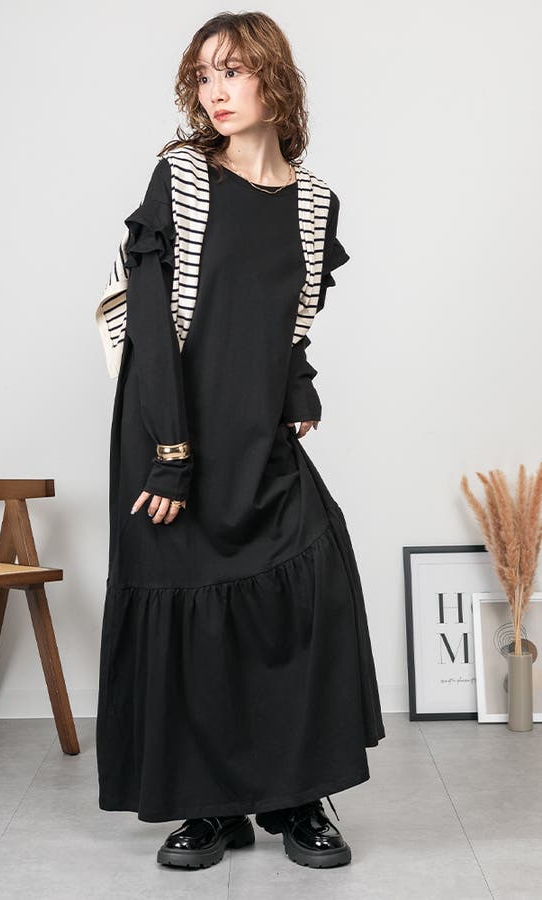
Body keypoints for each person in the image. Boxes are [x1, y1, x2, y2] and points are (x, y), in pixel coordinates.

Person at [94, 11, 385, 871]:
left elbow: (293, 323)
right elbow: (149, 325)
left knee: (308, 588)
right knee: (189, 613)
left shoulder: (315, 200)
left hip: (258, 434)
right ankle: (207, 807)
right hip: (171, 433)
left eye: (233, 71)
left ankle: (296, 796)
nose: (215, 91)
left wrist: (299, 387)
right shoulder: (183, 177)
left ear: (274, 80)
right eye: (204, 75)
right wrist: (169, 454)